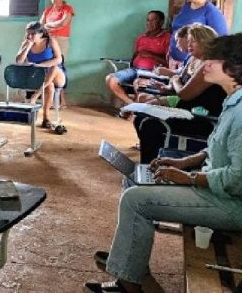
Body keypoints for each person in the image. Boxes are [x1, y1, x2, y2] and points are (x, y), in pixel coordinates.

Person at [84, 33, 242, 293]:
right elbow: (214, 146)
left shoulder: (240, 112)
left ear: (234, 67)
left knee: (136, 200)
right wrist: (184, 162)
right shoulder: (232, 101)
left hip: (229, 203)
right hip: (216, 187)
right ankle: (131, 264)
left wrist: (189, 179)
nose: (206, 64)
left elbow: (237, 178)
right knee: (134, 177)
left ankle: (129, 281)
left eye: (214, 59)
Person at [133, 24, 224, 164]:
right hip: (184, 110)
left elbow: (184, 94)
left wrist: (174, 79)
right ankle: (152, 162)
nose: (189, 45)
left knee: (148, 124)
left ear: (205, 41)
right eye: (188, 41)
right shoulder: (193, 59)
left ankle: (149, 166)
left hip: (200, 117)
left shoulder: (209, 65)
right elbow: (179, 86)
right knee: (140, 117)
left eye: (192, 41)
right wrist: (167, 88)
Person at [105, 11, 170, 106]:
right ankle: (132, 105)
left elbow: (169, 62)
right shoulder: (141, 38)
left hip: (153, 72)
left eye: (154, 20)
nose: (149, 23)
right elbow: (135, 55)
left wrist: (151, 55)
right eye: (148, 20)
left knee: (139, 83)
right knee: (110, 79)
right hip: (135, 70)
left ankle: (134, 109)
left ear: (161, 22)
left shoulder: (167, 38)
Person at [16, 21, 66, 129]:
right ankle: (46, 118)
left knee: (54, 67)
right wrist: (28, 46)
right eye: (28, 33)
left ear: (41, 33)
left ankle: (35, 95)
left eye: (33, 34)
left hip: (56, 74)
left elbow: (59, 59)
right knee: (50, 86)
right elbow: (19, 62)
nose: (29, 36)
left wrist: (41, 65)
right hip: (38, 77)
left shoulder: (50, 41)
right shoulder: (26, 43)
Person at [169, 0, 228, 68]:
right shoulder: (186, 7)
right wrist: (170, 52)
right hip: (174, 59)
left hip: (193, 64)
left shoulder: (211, 11)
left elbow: (220, 40)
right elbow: (176, 30)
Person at [40, 0, 74, 106]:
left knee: (58, 66)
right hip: (48, 40)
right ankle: (54, 100)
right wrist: (54, 25)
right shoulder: (48, 10)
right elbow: (41, 25)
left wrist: (50, 25)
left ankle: (61, 100)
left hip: (61, 41)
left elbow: (64, 23)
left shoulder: (67, 8)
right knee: (49, 68)